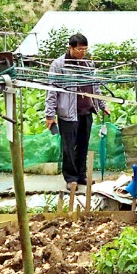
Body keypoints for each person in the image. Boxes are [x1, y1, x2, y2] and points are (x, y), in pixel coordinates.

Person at [45, 34, 110, 190]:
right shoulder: (59, 65)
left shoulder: (88, 64)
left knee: (83, 144)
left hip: (86, 111)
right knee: (69, 146)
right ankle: (70, 177)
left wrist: (102, 104)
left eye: (85, 49)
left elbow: (96, 86)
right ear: (70, 48)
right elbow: (51, 90)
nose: (83, 52)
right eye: (80, 49)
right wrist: (50, 115)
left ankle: (81, 176)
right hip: (68, 113)